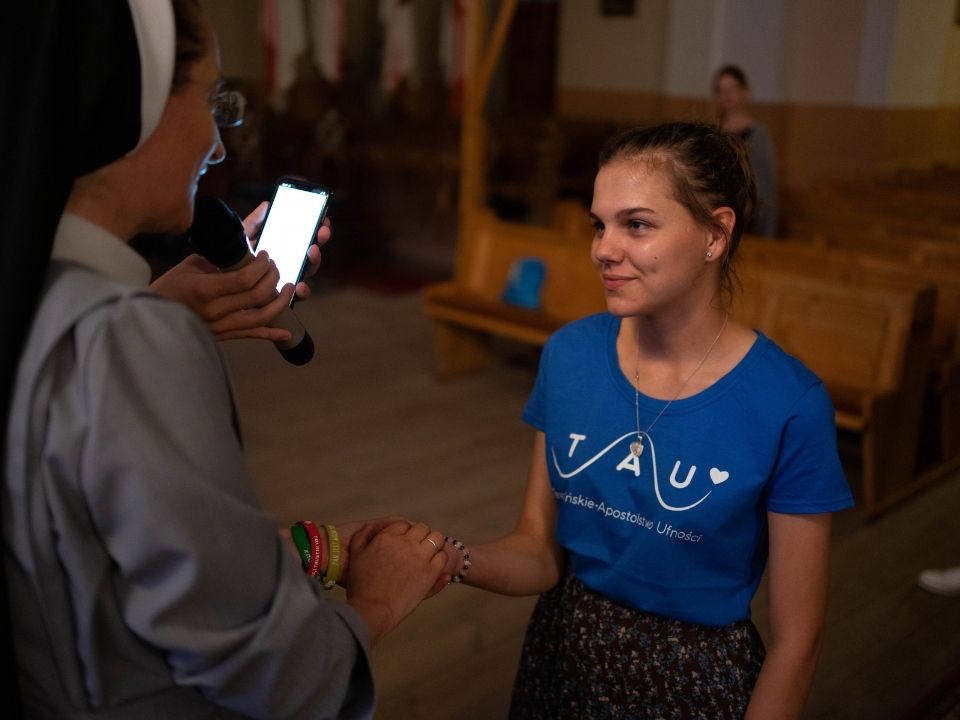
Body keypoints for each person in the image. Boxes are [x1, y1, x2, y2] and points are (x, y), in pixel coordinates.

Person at [1, 0, 448, 717]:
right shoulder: (123, 337)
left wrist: (164, 308)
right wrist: (379, 599)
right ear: (138, 103)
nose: (216, 145)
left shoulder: (43, 297)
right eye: (212, 101)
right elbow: (272, 671)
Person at [427, 122, 854, 718]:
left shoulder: (788, 403)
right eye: (599, 225)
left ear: (715, 234)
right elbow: (539, 550)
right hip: (564, 650)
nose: (603, 249)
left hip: (693, 677)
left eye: (637, 224)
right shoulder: (571, 355)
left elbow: (797, 642)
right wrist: (447, 558)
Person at [713, 64, 779, 237]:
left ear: (744, 92)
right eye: (721, 90)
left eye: (732, 90)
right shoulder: (713, 133)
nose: (727, 96)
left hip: (749, 221)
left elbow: (764, 185)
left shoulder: (758, 134)